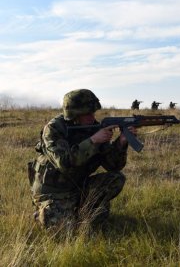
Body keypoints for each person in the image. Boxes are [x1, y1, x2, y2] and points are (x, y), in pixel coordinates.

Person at [28, 89, 136, 229]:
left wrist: (121, 142)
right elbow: (64, 163)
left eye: (93, 113)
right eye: (87, 114)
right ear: (74, 114)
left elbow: (113, 165)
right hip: (53, 192)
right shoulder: (54, 129)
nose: (92, 117)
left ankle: (82, 210)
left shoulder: (93, 127)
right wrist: (93, 141)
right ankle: (42, 213)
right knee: (64, 230)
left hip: (77, 185)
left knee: (116, 178)